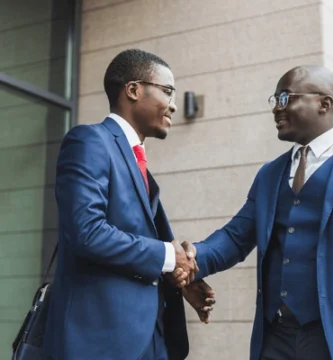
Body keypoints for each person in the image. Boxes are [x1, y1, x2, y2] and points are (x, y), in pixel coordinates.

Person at [43, 49, 215, 360]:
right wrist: (167, 256)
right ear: (133, 90)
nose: (174, 104)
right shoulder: (89, 141)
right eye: (167, 91)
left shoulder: (139, 164)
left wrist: (178, 277)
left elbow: (147, 241)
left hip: (151, 339)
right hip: (98, 343)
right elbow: (87, 233)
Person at [191, 65, 333, 359]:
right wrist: (189, 260)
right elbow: (236, 238)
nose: (276, 109)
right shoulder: (270, 174)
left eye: (285, 98)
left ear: (324, 103)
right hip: (276, 336)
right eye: (274, 100)